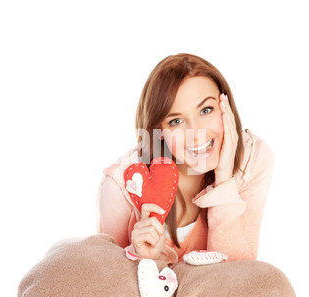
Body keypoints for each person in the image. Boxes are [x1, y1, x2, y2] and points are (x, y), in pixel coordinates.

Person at [96, 53, 274, 264]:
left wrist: (224, 179)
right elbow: (109, 286)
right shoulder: (123, 186)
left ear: (225, 107)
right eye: (176, 121)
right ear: (158, 131)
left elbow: (239, 280)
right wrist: (142, 258)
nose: (196, 133)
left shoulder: (252, 161)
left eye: (206, 110)